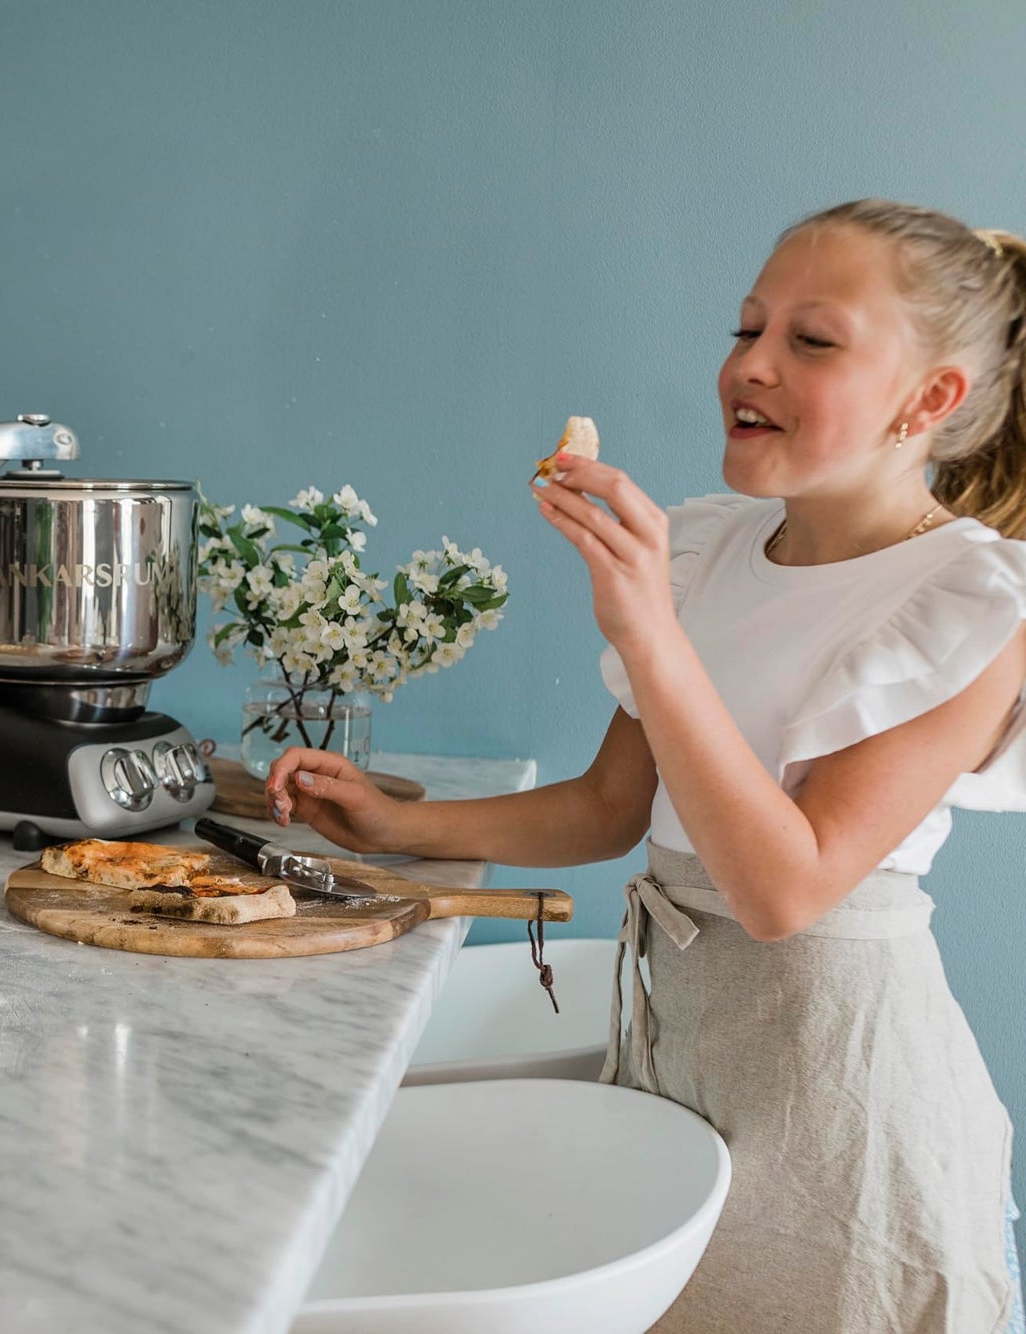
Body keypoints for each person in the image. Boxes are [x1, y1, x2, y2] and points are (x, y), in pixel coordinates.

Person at [268, 200, 1025, 1331]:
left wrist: (647, 634)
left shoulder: (967, 602)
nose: (750, 365)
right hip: (678, 1060)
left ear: (928, 400)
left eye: (809, 342)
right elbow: (615, 805)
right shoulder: (709, 546)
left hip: (844, 1101)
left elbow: (783, 888)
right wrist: (396, 826)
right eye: (744, 328)